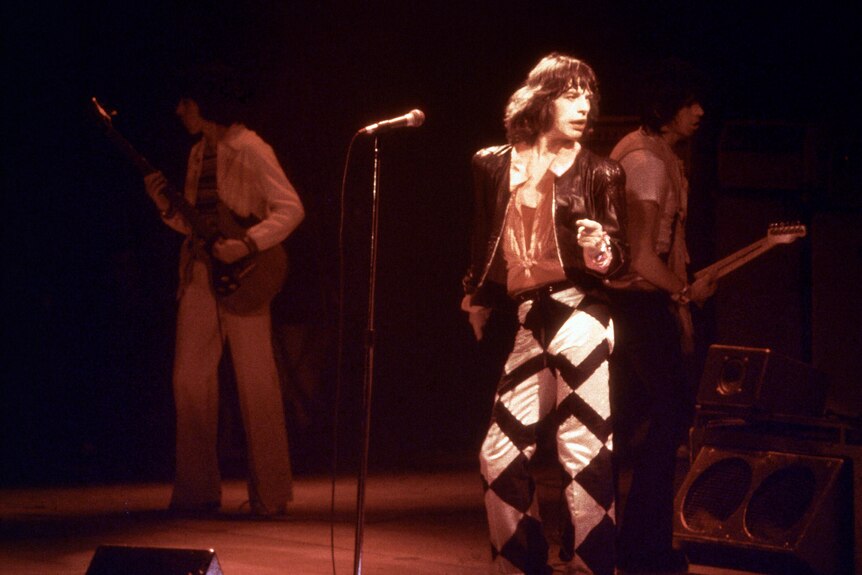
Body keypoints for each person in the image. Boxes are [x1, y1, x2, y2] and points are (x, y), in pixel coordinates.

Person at [462, 53, 628, 575]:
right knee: (499, 454)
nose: (584, 107)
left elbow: (615, 259)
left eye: (588, 97)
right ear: (542, 99)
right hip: (530, 316)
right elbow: (483, 238)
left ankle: (590, 565)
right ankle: (521, 563)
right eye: (570, 95)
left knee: (582, 447)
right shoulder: (493, 163)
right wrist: (478, 296)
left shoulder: (601, 170)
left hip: (582, 311)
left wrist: (600, 248)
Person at [143, 64, 305, 516]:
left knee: (256, 381)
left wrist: (249, 243)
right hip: (199, 273)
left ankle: (270, 495)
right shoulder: (199, 154)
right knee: (189, 378)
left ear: (208, 102)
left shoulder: (250, 148)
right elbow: (198, 223)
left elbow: (291, 209)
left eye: (187, 102)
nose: (179, 111)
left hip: (245, 277)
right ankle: (197, 490)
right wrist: (164, 207)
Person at [606, 60, 716, 574]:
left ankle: (596, 539)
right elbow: (642, 256)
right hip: (636, 302)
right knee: (669, 414)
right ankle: (639, 546)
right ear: (665, 106)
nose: (699, 111)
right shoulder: (646, 161)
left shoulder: (659, 155)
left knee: (621, 422)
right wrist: (686, 293)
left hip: (639, 302)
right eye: (689, 102)